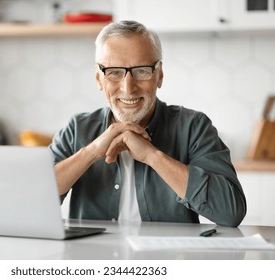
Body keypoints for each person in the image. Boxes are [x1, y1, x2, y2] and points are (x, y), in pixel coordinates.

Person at [50, 20, 246, 227]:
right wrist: (91, 153)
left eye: (141, 71)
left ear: (159, 75)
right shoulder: (76, 129)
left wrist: (152, 156)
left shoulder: (194, 127)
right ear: (99, 78)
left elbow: (230, 213)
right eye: (114, 72)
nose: (128, 88)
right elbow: (32, 199)